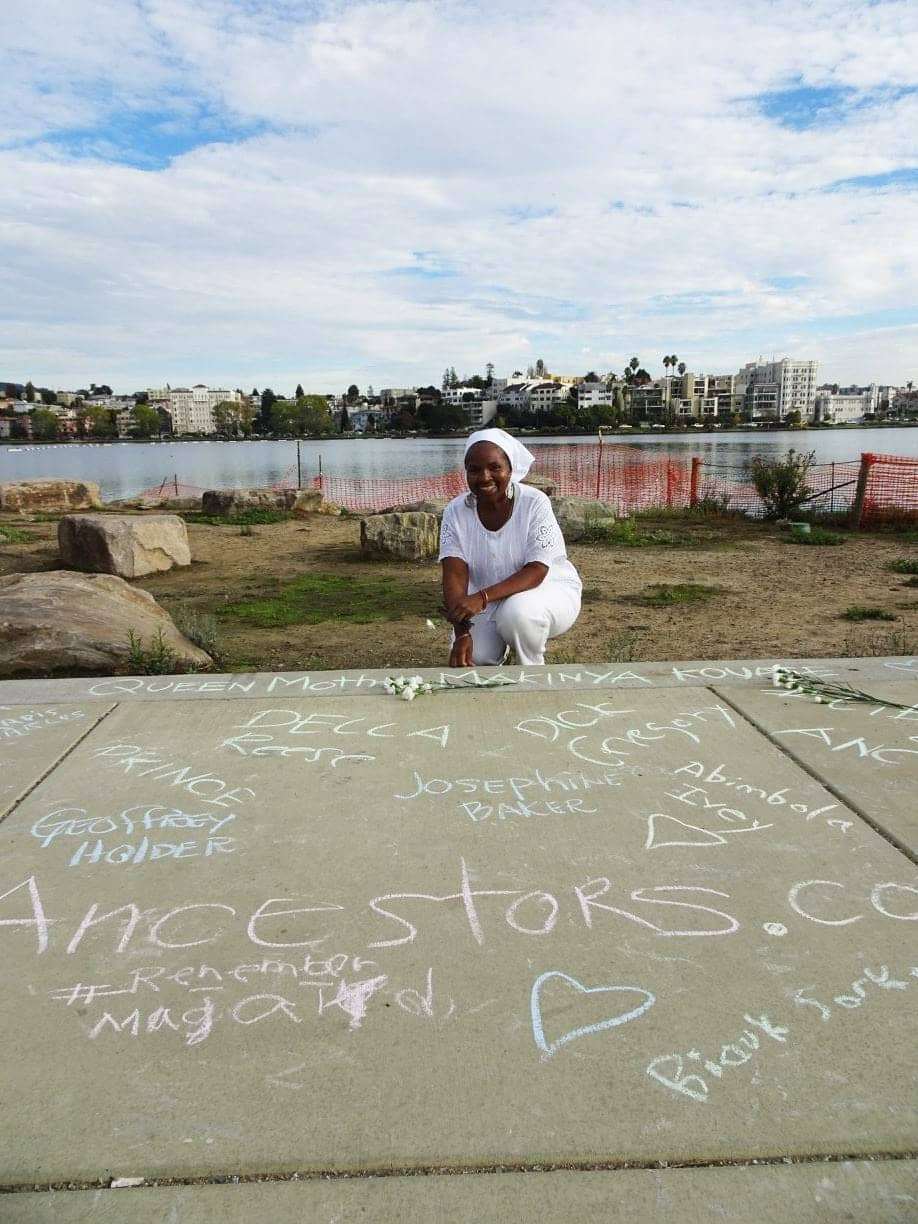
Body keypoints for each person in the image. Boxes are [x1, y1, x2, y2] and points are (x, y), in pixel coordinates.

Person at [438, 428, 582, 667]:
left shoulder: (534, 502)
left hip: (547, 592)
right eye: (474, 469)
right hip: (485, 600)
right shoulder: (455, 511)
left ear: (510, 469)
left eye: (495, 468)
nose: (484, 477)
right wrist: (462, 632)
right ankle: (500, 650)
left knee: (517, 615)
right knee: (476, 659)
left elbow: (537, 570)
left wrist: (481, 598)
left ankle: (531, 672)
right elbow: (454, 573)